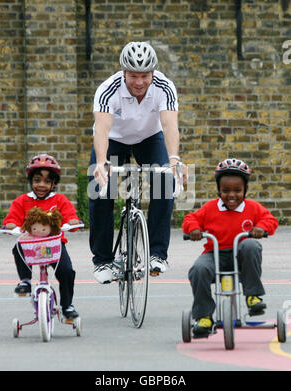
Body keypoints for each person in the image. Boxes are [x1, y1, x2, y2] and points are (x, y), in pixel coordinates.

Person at [89, 41, 185, 284]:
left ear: (153, 72)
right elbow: (101, 129)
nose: (139, 82)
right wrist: (101, 163)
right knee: (100, 190)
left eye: (145, 76)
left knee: (165, 183)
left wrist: (174, 159)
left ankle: (157, 254)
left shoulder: (164, 87)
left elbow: (170, 125)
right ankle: (102, 260)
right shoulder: (108, 89)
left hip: (149, 138)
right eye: (133, 76)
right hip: (114, 140)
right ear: (124, 72)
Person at [182, 158, 278, 338]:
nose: (231, 195)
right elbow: (190, 219)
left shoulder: (252, 208)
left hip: (241, 258)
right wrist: (194, 229)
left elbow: (270, 219)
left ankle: (253, 297)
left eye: (237, 190)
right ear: (218, 190)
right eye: (226, 191)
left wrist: (261, 228)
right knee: (198, 269)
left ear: (246, 190)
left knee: (250, 244)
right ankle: (204, 317)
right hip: (215, 254)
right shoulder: (210, 208)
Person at [2, 154, 80, 319]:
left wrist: (72, 222)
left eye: (47, 181)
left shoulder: (59, 200)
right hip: (30, 246)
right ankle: (25, 281)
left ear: (53, 184)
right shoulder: (22, 201)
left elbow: (69, 216)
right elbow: (12, 219)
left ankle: (67, 305)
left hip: (54, 245)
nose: (41, 185)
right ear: (31, 181)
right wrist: (11, 225)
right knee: (18, 247)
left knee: (66, 271)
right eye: (37, 180)